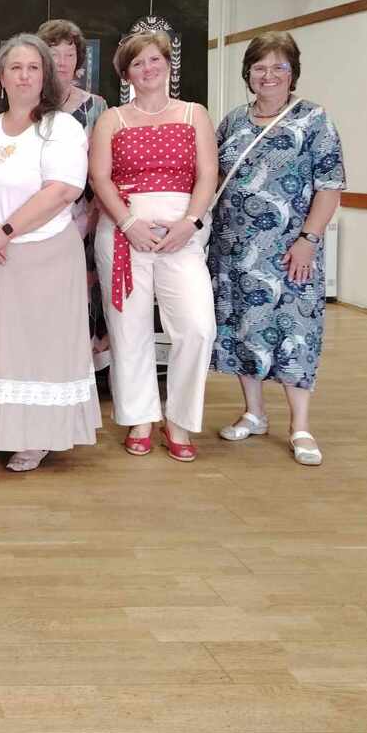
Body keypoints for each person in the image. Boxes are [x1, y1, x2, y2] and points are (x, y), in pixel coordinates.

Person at [0, 34, 100, 470]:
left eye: (33, 67)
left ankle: (36, 436)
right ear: (2, 77)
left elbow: (63, 189)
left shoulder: (61, 128)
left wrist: (5, 231)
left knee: (35, 350)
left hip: (40, 256)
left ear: (46, 76)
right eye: (16, 67)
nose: (25, 75)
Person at [210, 32, 345, 465]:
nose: (268, 75)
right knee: (243, 328)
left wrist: (309, 239)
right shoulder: (233, 121)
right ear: (248, 73)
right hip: (233, 250)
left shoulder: (314, 120)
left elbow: (330, 186)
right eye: (259, 67)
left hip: (290, 251)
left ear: (293, 72)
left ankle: (300, 426)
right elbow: (213, 177)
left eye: (278, 67)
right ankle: (254, 412)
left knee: (295, 332)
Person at [89, 31, 218, 462]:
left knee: (197, 326)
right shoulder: (112, 119)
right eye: (137, 63)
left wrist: (191, 223)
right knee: (129, 329)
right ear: (126, 74)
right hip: (124, 232)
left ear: (167, 63)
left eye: (154, 60)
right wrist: (128, 223)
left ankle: (178, 419)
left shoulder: (193, 114)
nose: (147, 69)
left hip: (183, 232)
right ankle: (139, 417)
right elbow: (99, 178)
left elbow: (207, 175)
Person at [37, 18, 109, 367]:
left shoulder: (96, 106)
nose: (62, 62)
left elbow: (101, 171)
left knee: (81, 291)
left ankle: (80, 370)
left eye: (69, 54)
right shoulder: (31, 104)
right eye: (54, 54)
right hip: (37, 214)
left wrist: (87, 220)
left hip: (84, 217)